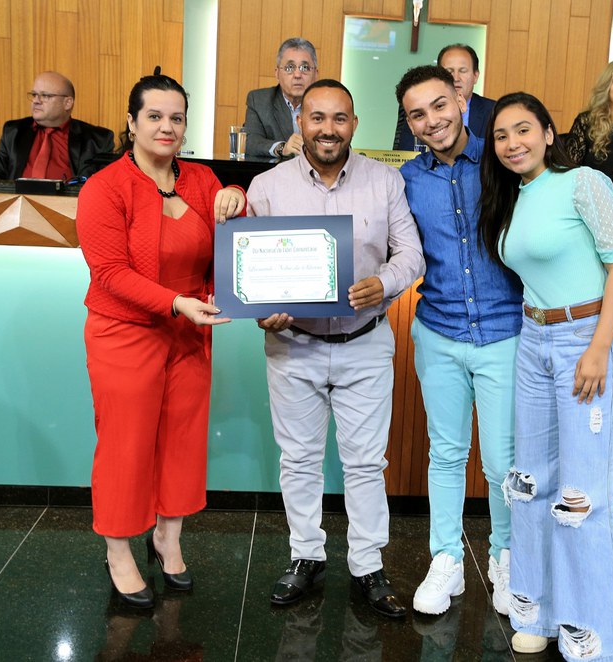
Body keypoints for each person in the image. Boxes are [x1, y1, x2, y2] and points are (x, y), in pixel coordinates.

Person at [246, 79, 424, 617]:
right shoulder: (267, 187)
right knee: (299, 459)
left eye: (340, 118)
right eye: (318, 117)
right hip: (292, 344)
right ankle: (306, 555)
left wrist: (385, 282)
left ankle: (367, 563)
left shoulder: (385, 181)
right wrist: (263, 309)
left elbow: (410, 253)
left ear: (354, 124)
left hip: (364, 342)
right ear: (300, 122)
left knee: (366, 463)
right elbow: (248, 266)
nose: (328, 129)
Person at [77, 70, 246, 609]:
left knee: (182, 438)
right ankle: (118, 551)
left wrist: (236, 195)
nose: (166, 127)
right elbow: (109, 273)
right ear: (131, 123)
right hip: (125, 332)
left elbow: (234, 229)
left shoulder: (200, 179)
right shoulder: (105, 187)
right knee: (125, 445)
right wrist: (175, 302)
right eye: (154, 116)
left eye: (176, 117)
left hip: (189, 332)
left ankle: (167, 538)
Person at [479, 91, 613, 661]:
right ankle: (537, 613)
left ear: (549, 133)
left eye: (524, 129)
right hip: (533, 340)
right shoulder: (509, 197)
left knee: (581, 496)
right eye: (501, 135)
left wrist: (598, 347)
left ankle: (599, 637)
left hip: (584, 338)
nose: (512, 143)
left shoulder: (584, 183)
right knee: (530, 484)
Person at [396, 65, 522, 616]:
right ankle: (446, 559)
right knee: (446, 453)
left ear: (461, 100)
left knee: (502, 461)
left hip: (504, 332)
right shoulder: (406, 179)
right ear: (408, 123)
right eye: (417, 114)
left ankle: (505, 557)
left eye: (439, 105)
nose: (432, 120)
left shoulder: (503, 163)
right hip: (439, 332)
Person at [0, 71, 115, 180]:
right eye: (34, 95)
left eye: (45, 96)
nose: (36, 101)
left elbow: (104, 187)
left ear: (67, 103)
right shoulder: (14, 132)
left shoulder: (97, 140)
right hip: (18, 203)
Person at [393, 44, 495, 151]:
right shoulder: (415, 109)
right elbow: (406, 152)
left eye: (463, 71)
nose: (456, 78)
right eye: (449, 71)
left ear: (475, 76)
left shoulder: (495, 111)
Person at [243, 37, 319, 158]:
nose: (297, 75)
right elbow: (250, 141)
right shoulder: (259, 101)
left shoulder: (326, 104)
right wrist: (282, 148)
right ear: (277, 73)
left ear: (315, 74)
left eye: (305, 68)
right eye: (289, 68)